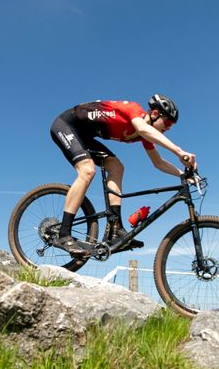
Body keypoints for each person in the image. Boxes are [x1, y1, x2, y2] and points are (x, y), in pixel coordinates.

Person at [49, 94, 195, 255]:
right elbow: (142, 128)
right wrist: (179, 152)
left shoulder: (144, 135)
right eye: (167, 123)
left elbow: (158, 162)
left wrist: (183, 175)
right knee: (87, 170)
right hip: (66, 125)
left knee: (117, 167)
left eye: (171, 126)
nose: (168, 128)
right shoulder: (134, 110)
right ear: (154, 114)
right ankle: (63, 233)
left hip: (83, 136)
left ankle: (114, 229)